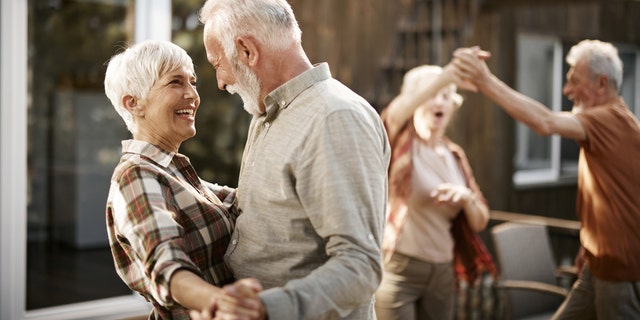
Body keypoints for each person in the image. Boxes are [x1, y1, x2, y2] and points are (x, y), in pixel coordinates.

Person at [194, 0, 391, 319]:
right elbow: (269, 207)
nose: (220, 81)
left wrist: (264, 308)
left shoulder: (335, 118)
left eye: (218, 64)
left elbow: (361, 266)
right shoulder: (266, 113)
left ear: (247, 51)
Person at [454, 40, 640, 319]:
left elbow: (546, 122)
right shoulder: (610, 125)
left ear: (602, 84)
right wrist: (587, 243)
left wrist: (485, 81)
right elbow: (617, 195)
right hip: (597, 264)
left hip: (619, 274)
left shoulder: (610, 120)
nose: (566, 91)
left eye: (574, 82)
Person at [103, 40, 260, 319]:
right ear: (133, 103)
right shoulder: (136, 175)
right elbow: (165, 265)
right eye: (176, 82)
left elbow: (250, 201)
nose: (193, 95)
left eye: (193, 82)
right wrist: (218, 301)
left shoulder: (173, 173)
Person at [374, 64, 496, 320]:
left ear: (453, 106)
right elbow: (393, 114)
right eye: (432, 94)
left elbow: (480, 219)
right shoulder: (400, 144)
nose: (439, 102)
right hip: (399, 270)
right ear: (415, 101)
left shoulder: (455, 155)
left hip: (442, 272)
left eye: (446, 96)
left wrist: (466, 198)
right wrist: (446, 77)